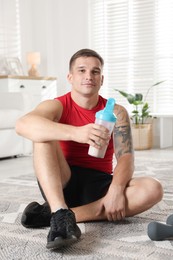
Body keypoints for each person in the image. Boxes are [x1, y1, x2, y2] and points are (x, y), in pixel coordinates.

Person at [15, 48, 163, 250]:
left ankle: (56, 215)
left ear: (102, 79)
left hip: (99, 184)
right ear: (70, 77)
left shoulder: (117, 112)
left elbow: (126, 158)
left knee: (152, 189)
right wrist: (77, 133)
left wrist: (116, 190)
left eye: (95, 72)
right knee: (41, 134)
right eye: (82, 70)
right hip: (61, 181)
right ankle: (59, 209)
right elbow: (23, 124)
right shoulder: (57, 106)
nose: (89, 76)